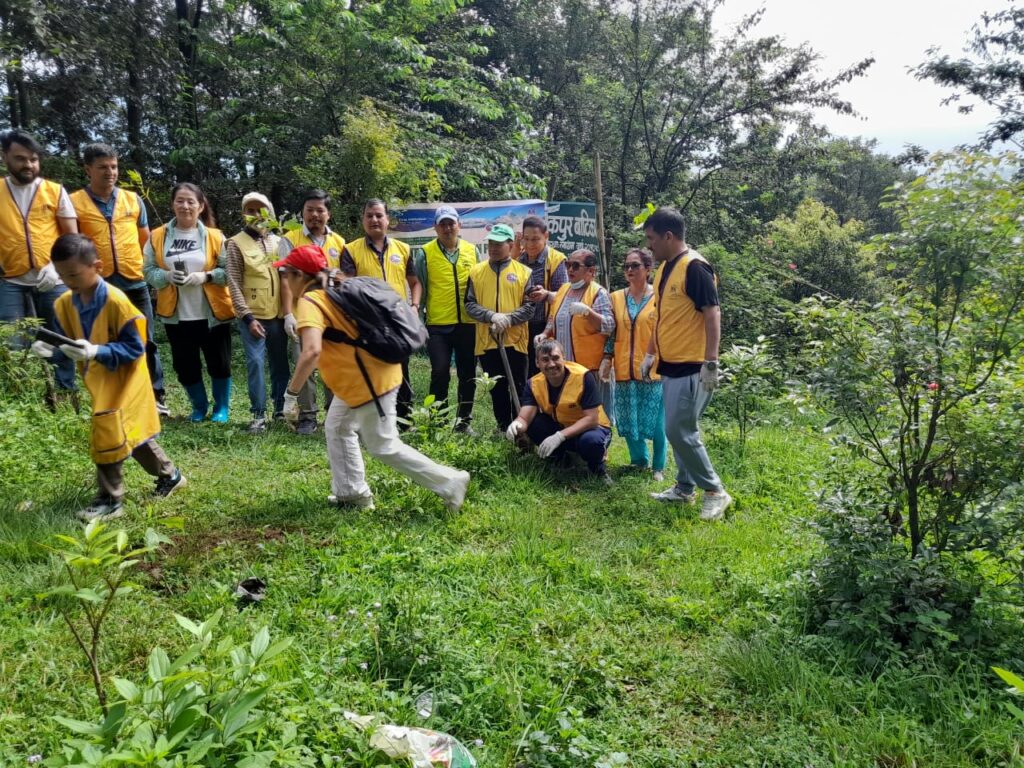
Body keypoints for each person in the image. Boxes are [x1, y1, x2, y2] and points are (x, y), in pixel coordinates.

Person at [278, 245, 470, 510]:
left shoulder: (311, 301)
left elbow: (311, 351)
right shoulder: (335, 287)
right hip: (361, 377)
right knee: (337, 426)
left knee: (383, 444)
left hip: (369, 381)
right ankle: (352, 493)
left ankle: (450, 482)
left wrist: (291, 394)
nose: (285, 280)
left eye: (287, 274)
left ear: (300, 275)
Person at [30, 234, 186, 522]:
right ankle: (171, 475)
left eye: (74, 274)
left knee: (108, 435)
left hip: (127, 380)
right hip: (101, 380)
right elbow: (68, 344)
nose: (69, 281)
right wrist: (52, 350)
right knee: (132, 434)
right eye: (62, 275)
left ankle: (110, 500)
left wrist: (98, 350)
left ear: (97, 266)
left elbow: (135, 347)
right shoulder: (64, 303)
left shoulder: (117, 303)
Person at [642, 206, 732, 521]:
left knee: (680, 431)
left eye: (651, 238)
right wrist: (652, 353)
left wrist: (711, 362)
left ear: (669, 236)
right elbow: (662, 317)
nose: (648, 245)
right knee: (680, 430)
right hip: (671, 363)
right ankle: (683, 488)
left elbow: (712, 312)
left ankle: (715, 491)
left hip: (693, 365)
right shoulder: (667, 267)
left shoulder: (695, 267)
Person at [70, 142, 168, 416]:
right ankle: (114, 396)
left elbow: (146, 242)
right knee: (102, 340)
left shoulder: (132, 200)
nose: (110, 172)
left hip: (135, 280)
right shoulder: (74, 202)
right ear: (88, 169)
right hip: (99, 284)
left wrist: (154, 278)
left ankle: (156, 394)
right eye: (102, 167)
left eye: (113, 166)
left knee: (146, 339)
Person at [142, 182, 234, 423]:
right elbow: (148, 271)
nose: (185, 206)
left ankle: (221, 409)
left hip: (212, 313)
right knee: (185, 366)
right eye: (180, 200)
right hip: (176, 314)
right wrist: (167, 277)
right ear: (173, 204)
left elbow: (229, 272)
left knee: (220, 363)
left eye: (191, 201)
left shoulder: (216, 237)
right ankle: (199, 407)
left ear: (201, 206)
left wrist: (206, 276)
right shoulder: (157, 236)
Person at [0, 129, 78, 402]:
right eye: (20, 159)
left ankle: (64, 391)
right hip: (11, 280)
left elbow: (71, 236)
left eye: (33, 159)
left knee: (61, 336)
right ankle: (20, 399)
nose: (28, 165)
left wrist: (57, 267)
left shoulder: (54, 192)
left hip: (52, 279)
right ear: (5, 157)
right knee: (13, 342)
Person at [340, 199, 421, 427]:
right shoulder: (350, 250)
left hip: (398, 321)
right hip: (368, 323)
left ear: (387, 220)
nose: (374, 220)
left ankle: (404, 419)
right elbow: (347, 288)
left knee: (401, 369)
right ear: (363, 219)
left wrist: (414, 306)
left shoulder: (403, 250)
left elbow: (415, 283)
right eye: (369, 216)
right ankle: (373, 421)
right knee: (370, 370)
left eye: (378, 215)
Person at [277, 189, 346, 434]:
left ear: (328, 214)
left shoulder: (339, 242)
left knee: (332, 363)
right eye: (310, 210)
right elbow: (285, 280)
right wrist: (288, 314)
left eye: (320, 210)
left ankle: (334, 413)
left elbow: (343, 279)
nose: (315, 215)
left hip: (332, 315)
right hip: (302, 313)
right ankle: (307, 416)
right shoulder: (290, 238)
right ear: (302, 213)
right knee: (304, 361)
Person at [599, 248, 667, 481]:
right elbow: (611, 332)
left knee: (657, 421)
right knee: (629, 417)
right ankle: (639, 460)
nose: (629, 270)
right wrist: (607, 358)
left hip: (652, 369)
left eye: (635, 266)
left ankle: (658, 465)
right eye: (626, 266)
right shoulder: (616, 297)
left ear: (648, 269)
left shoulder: (659, 297)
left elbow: (664, 330)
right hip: (624, 368)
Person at [506, 338, 612, 482]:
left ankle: (597, 469)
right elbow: (525, 417)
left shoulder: (583, 376)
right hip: (562, 427)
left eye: (556, 358)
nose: (551, 364)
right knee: (535, 424)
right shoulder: (533, 384)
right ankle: (561, 460)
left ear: (564, 358)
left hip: (594, 428)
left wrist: (559, 436)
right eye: (545, 360)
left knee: (591, 442)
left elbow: (592, 420)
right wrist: (517, 425)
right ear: (537, 363)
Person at [412, 205, 479, 432]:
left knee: (467, 373)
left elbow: (477, 284)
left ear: (459, 225)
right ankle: (438, 419)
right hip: (438, 324)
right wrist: (419, 320)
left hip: (468, 323)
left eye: (451, 223)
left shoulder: (472, 251)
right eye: (443, 224)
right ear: (435, 227)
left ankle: (463, 421)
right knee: (440, 370)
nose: (448, 228)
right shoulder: (425, 253)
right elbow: (420, 285)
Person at [227, 192, 288, 434]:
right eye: (250, 210)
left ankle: (281, 409)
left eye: (260, 210)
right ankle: (258, 414)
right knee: (255, 363)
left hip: (278, 315)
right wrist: (247, 317)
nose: (255, 215)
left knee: (280, 363)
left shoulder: (278, 242)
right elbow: (233, 282)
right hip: (253, 316)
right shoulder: (235, 243)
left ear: (269, 213)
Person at [464, 223, 534, 431]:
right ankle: (503, 428)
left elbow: (530, 307)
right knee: (497, 388)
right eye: (491, 243)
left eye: (499, 244)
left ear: (511, 245)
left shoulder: (523, 272)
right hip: (488, 341)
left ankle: (521, 429)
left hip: (516, 341)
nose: (493, 248)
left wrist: (509, 319)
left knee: (519, 386)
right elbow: (469, 304)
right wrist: (491, 316)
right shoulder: (476, 272)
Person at [536, 248, 615, 414]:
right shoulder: (564, 289)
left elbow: (609, 326)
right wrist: (544, 334)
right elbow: (553, 318)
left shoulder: (598, 293)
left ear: (591, 271)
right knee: (570, 413)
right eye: (568, 264)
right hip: (564, 368)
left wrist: (588, 312)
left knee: (594, 415)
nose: (570, 269)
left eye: (575, 266)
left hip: (589, 370)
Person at [516, 215, 568, 376]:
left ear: (546, 236)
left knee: (544, 373)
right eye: (526, 239)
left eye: (536, 239)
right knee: (522, 373)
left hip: (546, 327)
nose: (530, 244)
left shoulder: (556, 260)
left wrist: (546, 294)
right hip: (521, 326)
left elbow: (564, 296)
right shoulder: (519, 259)